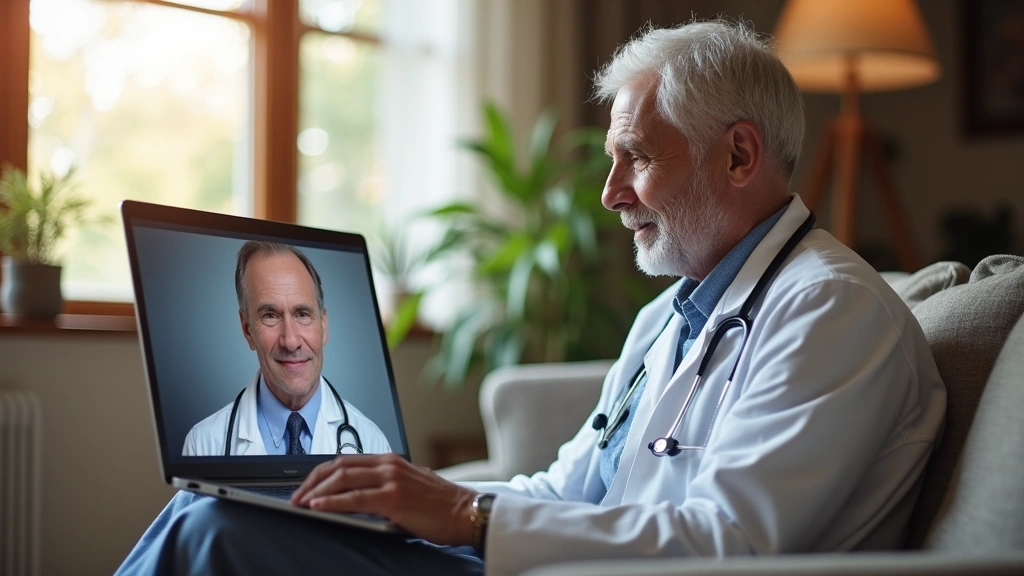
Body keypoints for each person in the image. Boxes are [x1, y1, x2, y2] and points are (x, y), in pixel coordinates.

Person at [116, 20, 945, 576]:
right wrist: (407, 495)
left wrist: (470, 515)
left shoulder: (833, 312)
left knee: (214, 533)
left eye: (636, 158)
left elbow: (733, 542)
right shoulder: (671, 318)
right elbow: (567, 490)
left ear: (738, 154)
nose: (611, 193)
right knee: (208, 511)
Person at [181, 241, 391, 456]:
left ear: (324, 325)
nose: (290, 341)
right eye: (270, 316)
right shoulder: (204, 444)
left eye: (302, 314)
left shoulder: (371, 443)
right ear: (247, 330)